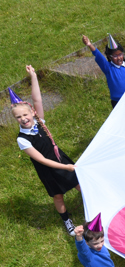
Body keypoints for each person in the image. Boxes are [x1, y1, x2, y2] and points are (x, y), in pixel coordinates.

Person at [10, 65, 80, 236]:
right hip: (48, 169)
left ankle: (94, 205)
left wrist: (33, 76)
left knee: (80, 183)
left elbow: (38, 99)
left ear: (32, 113)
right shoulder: (22, 139)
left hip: (60, 158)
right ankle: (67, 221)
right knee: (58, 196)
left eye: (25, 115)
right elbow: (41, 160)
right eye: (18, 117)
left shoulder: (39, 121)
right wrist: (66, 168)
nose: (23, 119)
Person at [82, 34, 125, 108]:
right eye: (115, 56)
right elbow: (98, 55)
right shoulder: (108, 68)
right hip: (118, 102)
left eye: (120, 54)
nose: (119, 57)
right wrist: (89, 44)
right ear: (109, 57)